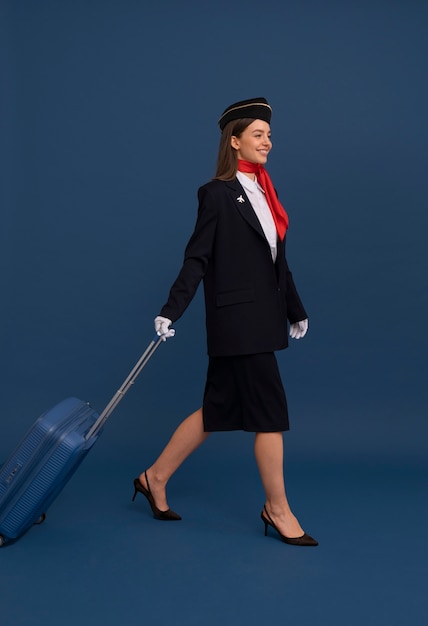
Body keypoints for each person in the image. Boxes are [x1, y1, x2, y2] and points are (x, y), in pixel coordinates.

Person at [132, 97, 318, 546]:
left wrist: (295, 309)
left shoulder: (267, 192)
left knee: (216, 410)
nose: (268, 142)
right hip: (237, 322)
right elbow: (197, 258)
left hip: (263, 319)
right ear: (234, 142)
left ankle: (154, 477)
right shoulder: (217, 194)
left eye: (269, 135)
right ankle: (276, 509)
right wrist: (170, 310)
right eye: (258, 135)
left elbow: (276, 263)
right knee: (270, 413)